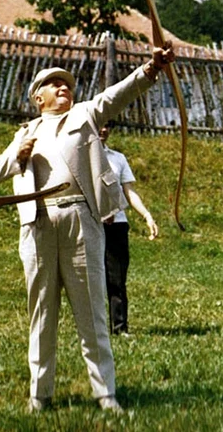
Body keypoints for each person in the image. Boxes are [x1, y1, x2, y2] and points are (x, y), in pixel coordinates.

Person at [0, 43, 174, 414]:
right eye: (54, 84)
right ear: (37, 97)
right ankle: (39, 395)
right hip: (37, 224)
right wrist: (18, 153)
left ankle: (105, 394)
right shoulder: (24, 132)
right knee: (41, 313)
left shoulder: (85, 115)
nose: (64, 88)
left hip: (80, 219)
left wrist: (151, 69)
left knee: (92, 310)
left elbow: (118, 94)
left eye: (67, 84)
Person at [99, 124, 158, 336]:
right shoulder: (78, 156)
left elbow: (129, 192)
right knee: (88, 279)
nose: (103, 129)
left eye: (108, 125)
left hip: (117, 224)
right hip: (90, 223)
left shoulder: (117, 158)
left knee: (117, 278)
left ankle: (119, 328)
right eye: (99, 124)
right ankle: (92, 330)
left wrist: (147, 215)